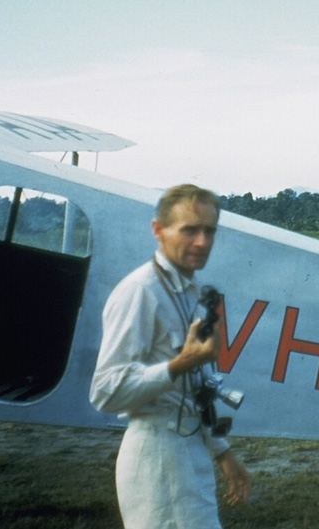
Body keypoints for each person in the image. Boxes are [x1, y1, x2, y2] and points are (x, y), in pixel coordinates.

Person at [90, 184, 251, 529]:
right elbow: (105, 391)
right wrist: (180, 363)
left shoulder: (187, 289)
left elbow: (194, 389)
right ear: (158, 230)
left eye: (209, 231)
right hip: (158, 460)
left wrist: (222, 452)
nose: (202, 242)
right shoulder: (140, 291)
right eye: (189, 230)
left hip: (186, 452)